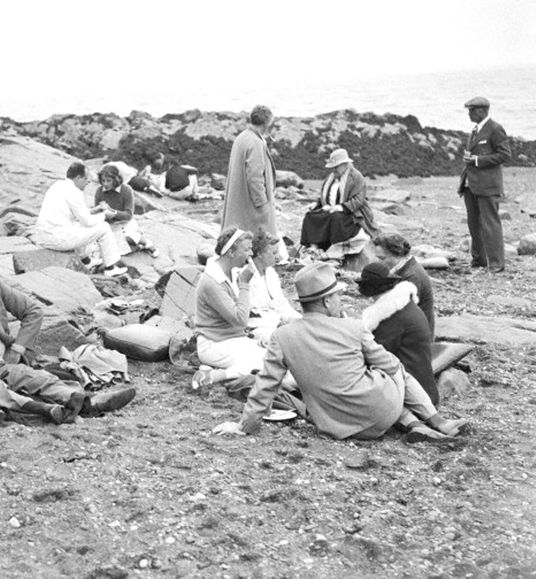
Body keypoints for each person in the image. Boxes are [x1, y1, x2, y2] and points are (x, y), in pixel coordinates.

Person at [213, 263, 468, 442]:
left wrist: (243, 426)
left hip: (339, 426)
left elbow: (266, 385)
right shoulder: (353, 328)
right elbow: (390, 366)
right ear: (326, 301)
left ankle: (415, 424)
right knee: (395, 369)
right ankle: (437, 421)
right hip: (383, 413)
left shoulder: (282, 336)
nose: (340, 300)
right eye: (337, 296)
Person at [0, 245, 137, 422]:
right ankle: (55, 410)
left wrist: (17, 348)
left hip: (4, 363)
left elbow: (33, 311)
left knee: (39, 378)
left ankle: (87, 401)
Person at [191, 228, 266, 392]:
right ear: (231, 252)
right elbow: (240, 320)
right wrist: (244, 284)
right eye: (247, 249)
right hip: (214, 344)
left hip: (232, 339)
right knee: (265, 364)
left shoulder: (231, 272)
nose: (251, 253)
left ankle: (213, 372)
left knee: (276, 356)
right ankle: (215, 376)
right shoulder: (212, 281)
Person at [27, 162, 127, 277]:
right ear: (78, 178)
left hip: (43, 237)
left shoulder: (57, 185)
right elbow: (88, 222)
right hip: (57, 240)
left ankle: (86, 262)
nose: (88, 182)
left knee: (77, 225)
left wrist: (95, 210)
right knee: (104, 227)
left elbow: (79, 214)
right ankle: (110, 268)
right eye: (86, 178)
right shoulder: (75, 192)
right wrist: (105, 215)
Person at [358, 262, 439, 406]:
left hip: (414, 395)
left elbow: (374, 355)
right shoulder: (405, 305)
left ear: (369, 288)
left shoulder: (390, 318)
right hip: (422, 386)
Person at [222, 105, 289, 264]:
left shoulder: (242, 137)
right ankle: (263, 260)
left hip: (239, 197)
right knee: (261, 232)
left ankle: (241, 257)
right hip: (250, 201)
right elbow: (255, 177)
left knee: (240, 229)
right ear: (267, 123)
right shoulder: (255, 142)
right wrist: (262, 203)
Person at [457, 96, 511, 272]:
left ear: (483, 110)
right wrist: (470, 161)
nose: (469, 113)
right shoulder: (475, 130)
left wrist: (477, 160)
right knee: (474, 224)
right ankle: (479, 259)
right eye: (469, 110)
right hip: (470, 184)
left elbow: (505, 155)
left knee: (490, 224)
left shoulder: (495, 129)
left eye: (472, 110)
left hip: (488, 185)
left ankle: (496, 264)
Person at [300, 148, 377, 260]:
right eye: (333, 167)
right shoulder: (331, 177)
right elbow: (325, 195)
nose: (334, 169)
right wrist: (317, 204)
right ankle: (314, 247)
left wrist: (341, 207)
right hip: (331, 209)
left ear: (345, 164)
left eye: (336, 167)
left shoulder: (356, 177)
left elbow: (359, 200)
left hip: (350, 212)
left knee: (337, 218)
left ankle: (336, 249)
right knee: (310, 216)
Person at [234, 228, 301, 346]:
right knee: (284, 341)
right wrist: (278, 322)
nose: (278, 257)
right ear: (259, 254)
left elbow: (281, 303)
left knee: (305, 329)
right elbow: (252, 312)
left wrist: (295, 319)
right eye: (274, 253)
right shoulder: (244, 274)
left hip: (276, 321)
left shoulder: (270, 273)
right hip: (257, 326)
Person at [373, 233, 435, 338]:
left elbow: (403, 315)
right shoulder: (402, 268)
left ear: (397, 254)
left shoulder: (412, 276)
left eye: (382, 258)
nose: (379, 262)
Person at [94, 164, 159, 258]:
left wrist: (114, 213)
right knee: (110, 249)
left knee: (129, 237)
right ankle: (138, 247)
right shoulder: (99, 191)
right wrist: (102, 213)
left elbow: (129, 214)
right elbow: (97, 211)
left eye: (108, 181)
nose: (105, 184)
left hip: (125, 222)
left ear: (115, 180)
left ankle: (146, 243)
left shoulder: (126, 190)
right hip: (110, 225)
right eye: (103, 180)